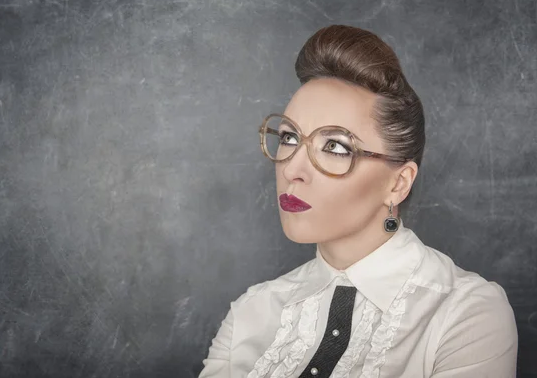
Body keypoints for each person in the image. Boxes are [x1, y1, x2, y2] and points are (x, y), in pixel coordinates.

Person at [199, 25, 518, 378]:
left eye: (335, 146)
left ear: (398, 184)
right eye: (289, 137)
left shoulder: (466, 312)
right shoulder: (252, 312)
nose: (293, 169)